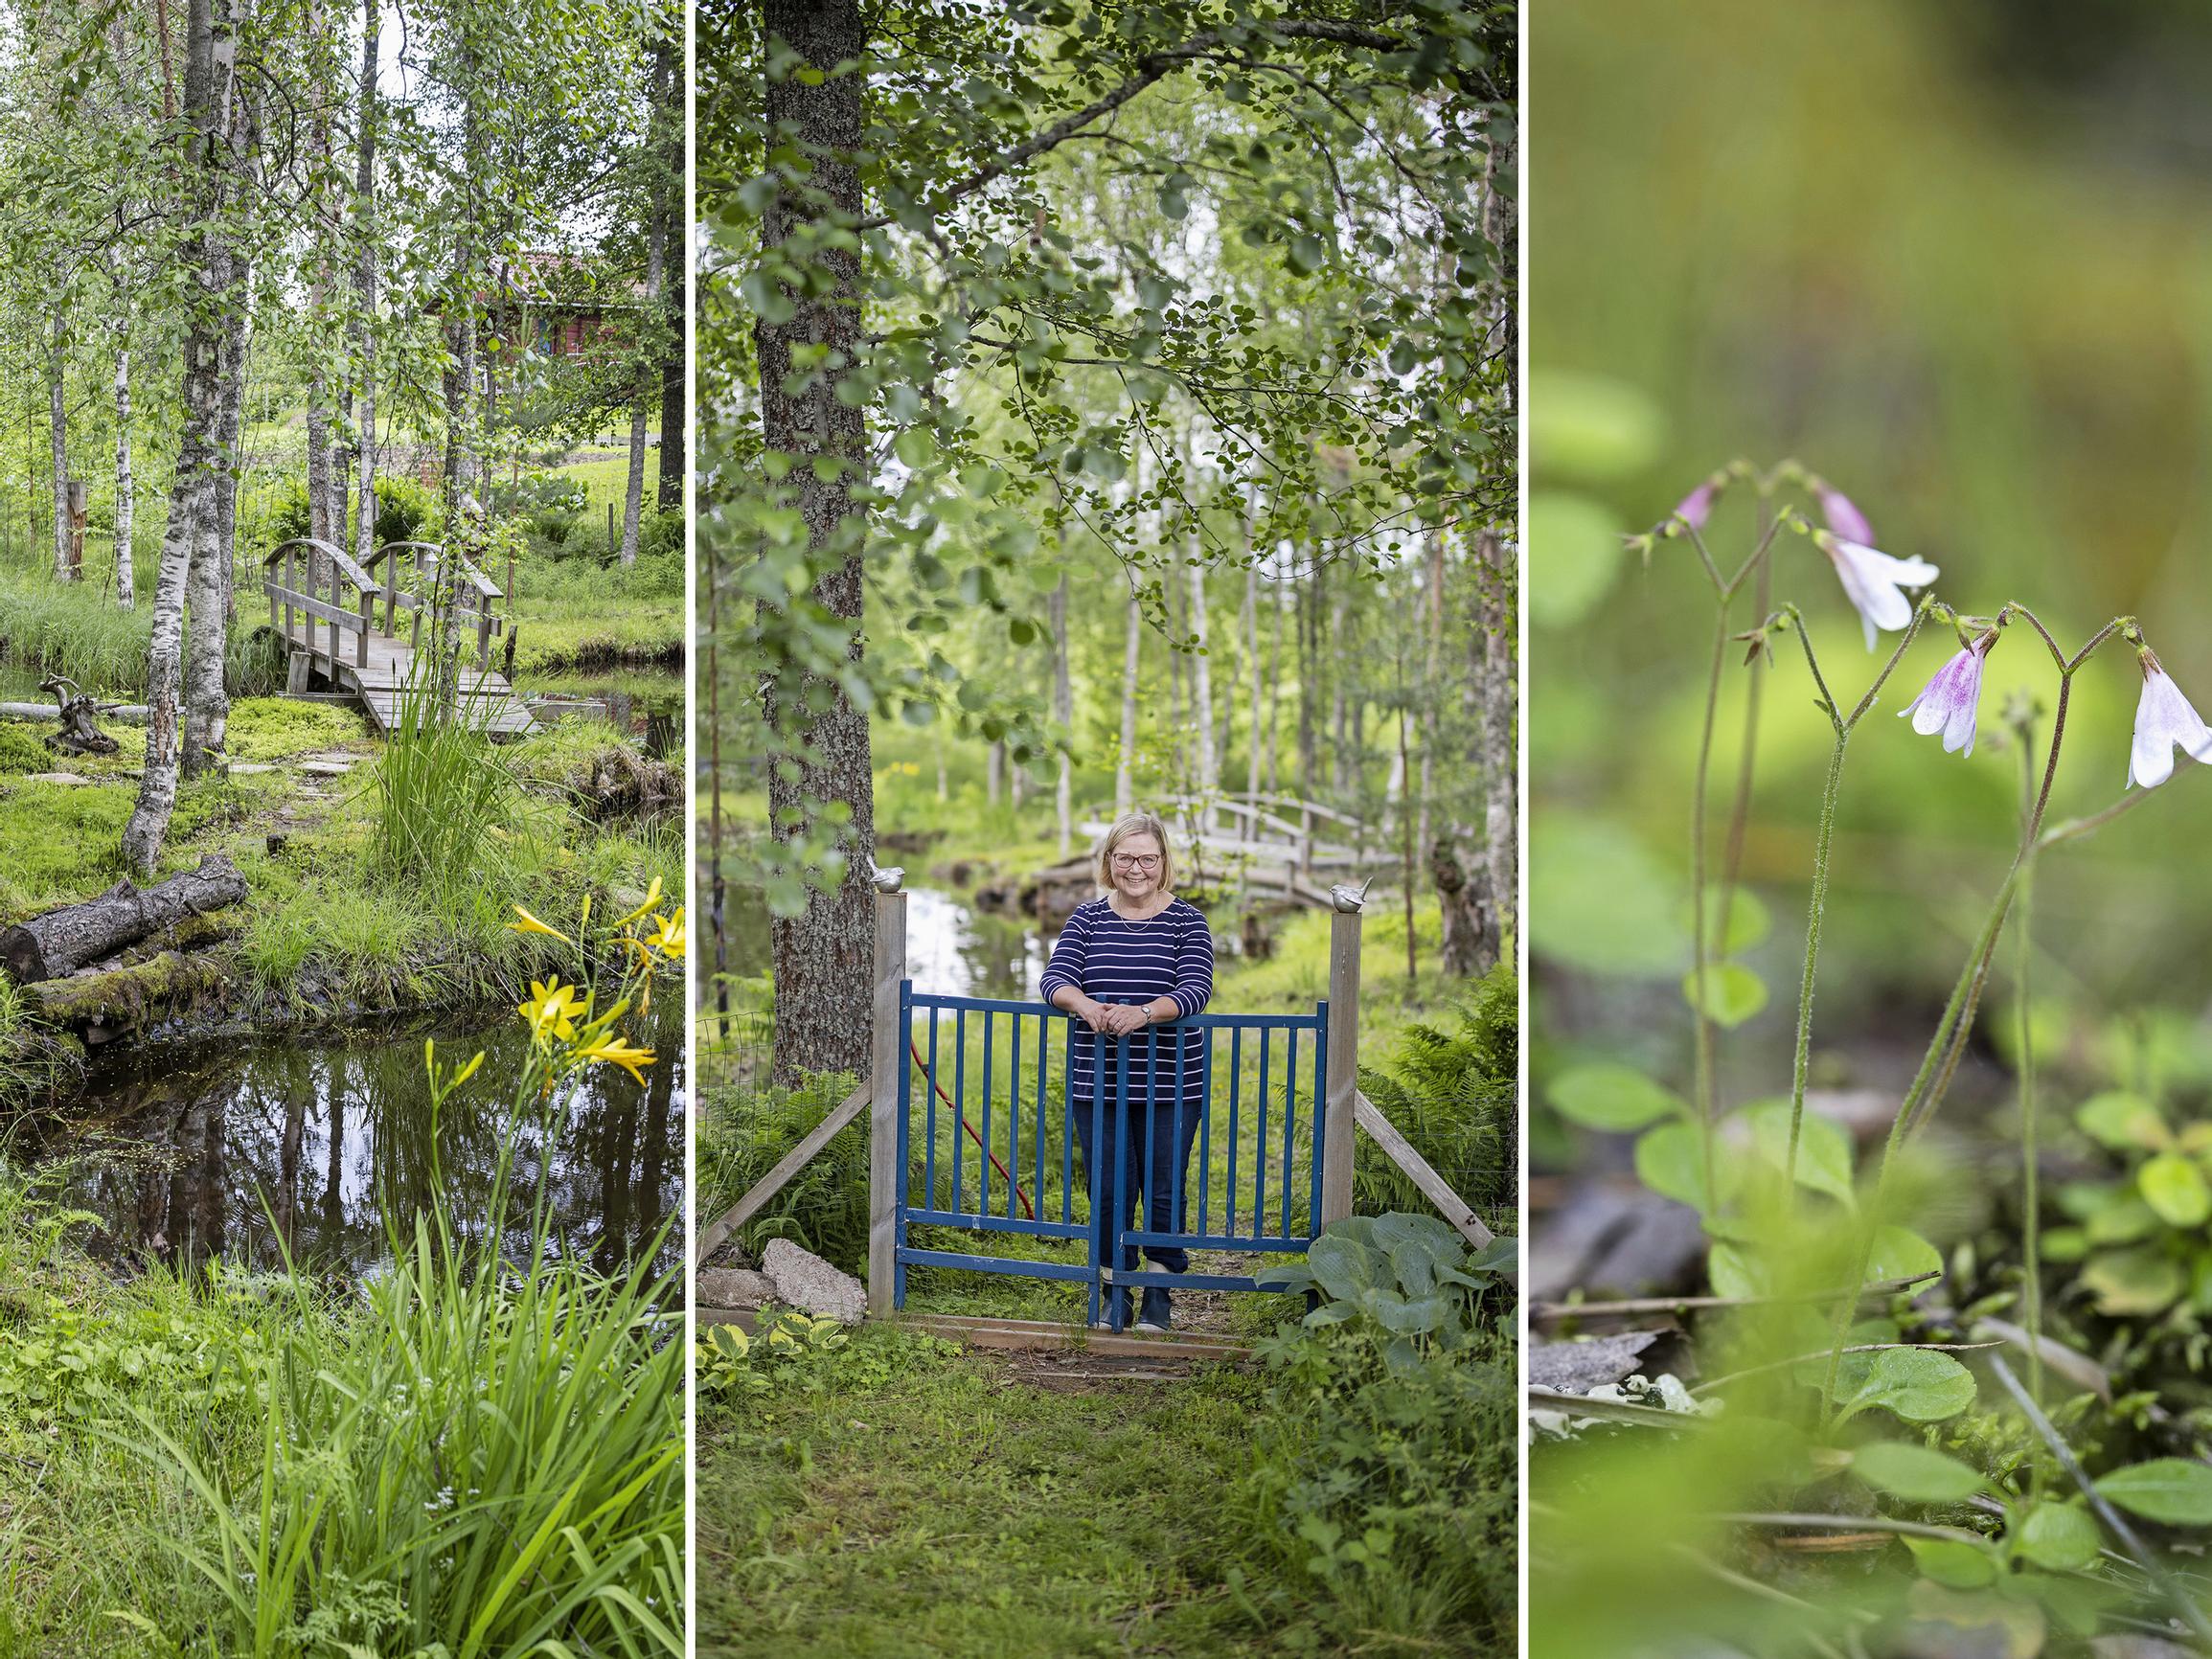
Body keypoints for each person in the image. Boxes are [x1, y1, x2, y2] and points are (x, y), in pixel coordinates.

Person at [1039, 811, 1215, 1331]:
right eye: (1125, 858)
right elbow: (1054, 980)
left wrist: (1144, 1013)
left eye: (1147, 859)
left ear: (1163, 865)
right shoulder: (1087, 919)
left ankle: (1159, 1290)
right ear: (1108, 863)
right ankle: (1116, 1286)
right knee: (1110, 1187)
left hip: (1171, 1083)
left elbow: (1195, 989)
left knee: (1164, 1185)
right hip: (1100, 1082)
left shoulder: (1188, 922)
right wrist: (1086, 1006)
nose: (1135, 868)